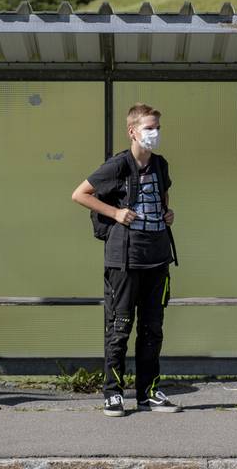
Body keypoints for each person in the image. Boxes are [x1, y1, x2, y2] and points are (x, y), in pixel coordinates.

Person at [71, 103, 181, 417]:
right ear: (132, 131)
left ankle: (148, 394)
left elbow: (162, 195)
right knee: (119, 327)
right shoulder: (118, 165)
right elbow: (80, 194)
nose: (155, 133)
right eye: (149, 127)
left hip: (157, 257)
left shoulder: (161, 164)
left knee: (152, 328)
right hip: (125, 260)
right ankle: (113, 394)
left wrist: (167, 212)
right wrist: (116, 213)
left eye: (157, 127)